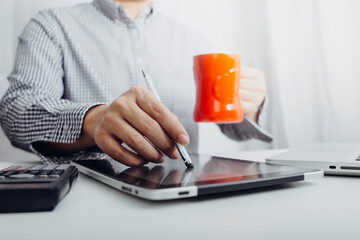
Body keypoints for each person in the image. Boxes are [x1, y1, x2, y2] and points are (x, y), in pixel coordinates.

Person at [0, 0, 272, 166]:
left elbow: (235, 130)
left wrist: (249, 108)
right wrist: (93, 120)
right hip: (85, 197)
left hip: (184, 192)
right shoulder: (50, 26)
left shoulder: (193, 40)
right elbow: (15, 113)